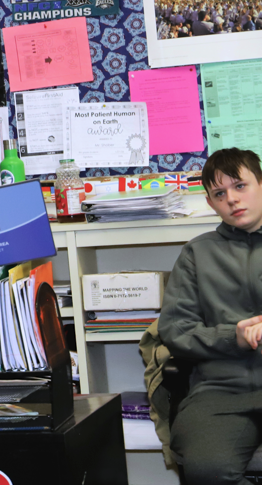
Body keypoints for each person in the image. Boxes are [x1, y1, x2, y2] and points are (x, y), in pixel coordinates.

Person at [158, 148, 262, 485]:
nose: (231, 199)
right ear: (210, 202)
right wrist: (232, 336)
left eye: (240, 186)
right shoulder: (196, 253)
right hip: (220, 392)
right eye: (220, 193)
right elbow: (175, 329)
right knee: (207, 470)